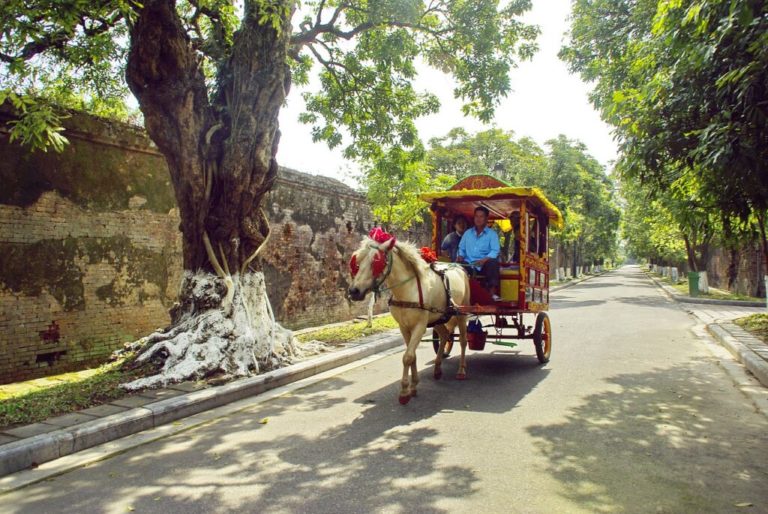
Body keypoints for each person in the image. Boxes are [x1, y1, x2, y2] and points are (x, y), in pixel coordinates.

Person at [457, 206, 501, 301]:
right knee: (457, 267)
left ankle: (492, 293)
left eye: (481, 216)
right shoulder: (467, 233)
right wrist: (460, 256)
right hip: (469, 264)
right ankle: (460, 294)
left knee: (493, 262)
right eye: (476, 216)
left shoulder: (492, 234)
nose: (478, 219)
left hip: (485, 265)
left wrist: (483, 260)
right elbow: (461, 248)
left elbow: (495, 251)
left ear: (486, 219)